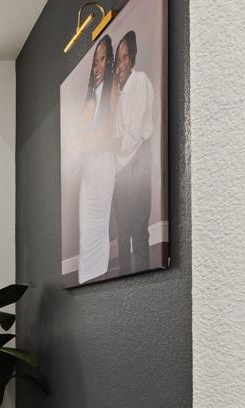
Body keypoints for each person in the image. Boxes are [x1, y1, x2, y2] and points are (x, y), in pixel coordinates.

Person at [112, 30, 155, 275]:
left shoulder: (140, 81)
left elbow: (133, 134)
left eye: (125, 57)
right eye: (117, 60)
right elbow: (115, 135)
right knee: (122, 232)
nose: (121, 64)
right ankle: (124, 283)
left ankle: (143, 281)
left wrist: (115, 145)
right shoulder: (119, 94)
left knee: (138, 228)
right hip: (121, 167)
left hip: (139, 160)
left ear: (133, 58)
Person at [76, 35, 118, 284]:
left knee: (99, 226)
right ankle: (87, 277)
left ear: (109, 61)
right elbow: (80, 136)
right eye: (95, 61)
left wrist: (90, 140)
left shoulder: (112, 89)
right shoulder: (91, 97)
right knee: (86, 228)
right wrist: (89, 139)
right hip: (89, 169)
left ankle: (99, 273)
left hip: (103, 166)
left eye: (103, 59)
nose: (98, 66)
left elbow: (106, 134)